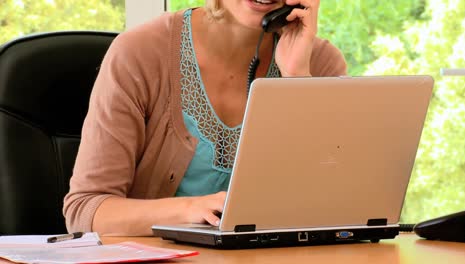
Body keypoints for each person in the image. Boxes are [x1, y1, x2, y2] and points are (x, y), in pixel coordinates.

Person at [63, 0, 347, 236]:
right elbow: (86, 209)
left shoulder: (319, 63)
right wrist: (190, 210)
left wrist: (297, 80)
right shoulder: (139, 53)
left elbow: (342, 208)